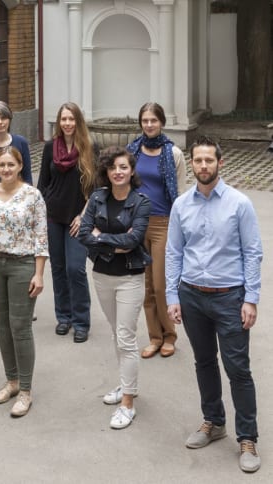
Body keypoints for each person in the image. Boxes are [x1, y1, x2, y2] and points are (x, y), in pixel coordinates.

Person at [166, 136, 262, 473]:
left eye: (209, 160)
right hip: (192, 296)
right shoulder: (181, 205)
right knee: (204, 362)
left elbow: (253, 252)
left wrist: (251, 298)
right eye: (198, 161)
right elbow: (174, 252)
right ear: (191, 164)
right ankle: (214, 421)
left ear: (220, 163)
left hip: (229, 297)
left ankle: (247, 437)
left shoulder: (239, 204)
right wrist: (172, 295)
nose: (203, 166)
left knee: (238, 369)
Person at [78, 147, 150, 430]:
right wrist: (112, 241)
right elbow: (84, 234)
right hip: (102, 275)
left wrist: (101, 237)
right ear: (106, 172)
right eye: (112, 168)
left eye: (123, 167)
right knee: (115, 334)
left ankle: (128, 403)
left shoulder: (141, 202)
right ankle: (126, 384)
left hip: (130, 277)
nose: (117, 172)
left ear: (131, 170)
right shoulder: (98, 197)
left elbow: (133, 241)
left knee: (125, 337)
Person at [0, 146, 48, 417]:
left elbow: (41, 236)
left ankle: (26, 390)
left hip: (23, 265)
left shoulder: (32, 196)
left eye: (11, 165)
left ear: (19, 166)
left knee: (21, 326)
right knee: (2, 324)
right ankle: (12, 381)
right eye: (2, 165)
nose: (6, 169)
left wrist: (39, 273)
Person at [126, 102, 185, 358]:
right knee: (146, 285)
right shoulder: (133, 150)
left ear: (161, 122)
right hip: (137, 223)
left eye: (153, 120)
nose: (149, 124)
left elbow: (180, 194)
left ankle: (170, 335)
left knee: (161, 285)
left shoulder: (174, 154)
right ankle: (154, 336)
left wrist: (179, 227)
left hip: (164, 224)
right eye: (145, 120)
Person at [37, 102, 96, 343]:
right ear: (59, 122)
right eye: (63, 119)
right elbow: (42, 183)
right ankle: (64, 316)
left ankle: (81, 321)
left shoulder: (89, 148)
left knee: (76, 269)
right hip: (53, 216)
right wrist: (40, 214)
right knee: (58, 269)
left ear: (78, 121)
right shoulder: (51, 148)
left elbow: (96, 189)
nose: (67, 123)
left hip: (77, 218)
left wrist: (83, 216)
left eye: (71, 119)